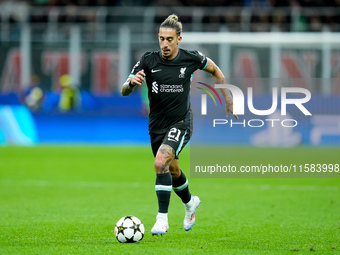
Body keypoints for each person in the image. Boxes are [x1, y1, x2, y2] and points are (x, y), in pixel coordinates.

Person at [121, 14, 238, 236]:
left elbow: (215, 70)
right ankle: (190, 203)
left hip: (181, 122)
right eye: (161, 39)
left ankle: (161, 220)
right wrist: (130, 83)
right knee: (172, 170)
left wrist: (228, 97)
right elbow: (124, 90)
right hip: (156, 125)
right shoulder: (148, 60)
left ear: (179, 39)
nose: (164, 44)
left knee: (160, 162)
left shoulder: (190, 58)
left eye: (169, 39)